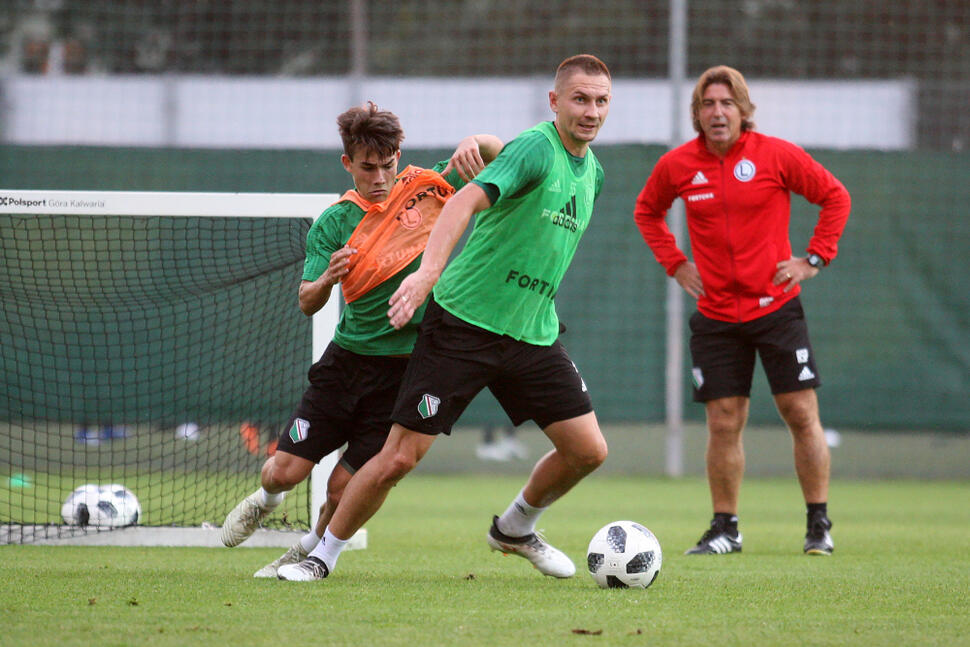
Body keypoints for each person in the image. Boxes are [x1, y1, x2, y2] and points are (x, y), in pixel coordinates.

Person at [278, 54, 613, 581]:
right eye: (579, 98)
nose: (590, 110)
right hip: (463, 325)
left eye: (600, 101)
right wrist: (427, 275)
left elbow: (492, 159)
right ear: (555, 102)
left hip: (531, 334)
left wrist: (478, 141)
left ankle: (516, 527)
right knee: (398, 458)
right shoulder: (535, 146)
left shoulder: (591, 172)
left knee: (588, 450)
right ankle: (321, 558)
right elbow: (461, 204)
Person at [220, 101, 502, 577]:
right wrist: (328, 279)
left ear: (399, 156)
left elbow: (502, 155)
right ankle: (265, 500)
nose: (380, 177)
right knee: (284, 472)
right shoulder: (334, 222)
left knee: (340, 489)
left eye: (388, 165)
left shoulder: (428, 189)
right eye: (367, 167)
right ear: (348, 163)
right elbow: (307, 302)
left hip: (402, 372)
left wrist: (478, 141)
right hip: (346, 364)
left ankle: (308, 550)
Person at [633, 65, 850, 556]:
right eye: (708, 104)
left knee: (799, 412)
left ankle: (818, 524)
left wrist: (813, 259)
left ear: (744, 110)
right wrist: (676, 263)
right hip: (715, 317)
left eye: (727, 103)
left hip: (777, 309)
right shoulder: (678, 165)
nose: (717, 112)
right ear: (697, 114)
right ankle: (725, 528)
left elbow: (835, 196)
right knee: (723, 421)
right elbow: (647, 211)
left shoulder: (776, 155)